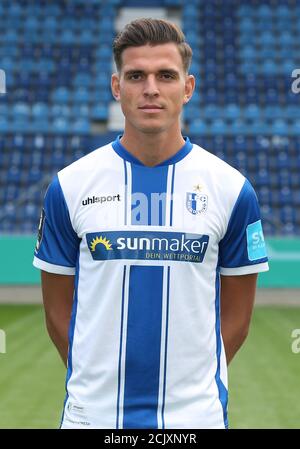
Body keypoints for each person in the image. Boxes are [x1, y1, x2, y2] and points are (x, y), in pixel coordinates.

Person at [33, 18, 269, 429]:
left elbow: (237, 318)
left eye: (166, 75)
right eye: (136, 75)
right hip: (94, 419)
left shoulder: (232, 190)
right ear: (116, 86)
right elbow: (57, 313)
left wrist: (187, 386)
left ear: (188, 87)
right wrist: (96, 382)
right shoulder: (69, 186)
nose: (151, 89)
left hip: (195, 420)